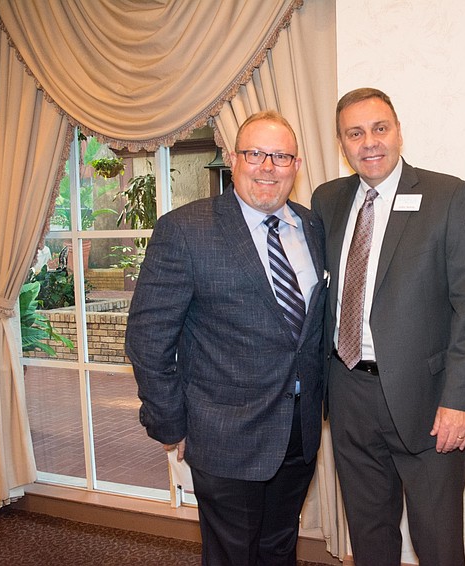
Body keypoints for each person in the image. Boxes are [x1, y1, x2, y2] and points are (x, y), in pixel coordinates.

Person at [125, 110, 326, 566]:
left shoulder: (311, 227)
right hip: (224, 434)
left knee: (279, 547)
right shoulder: (184, 230)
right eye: (256, 154)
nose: (268, 167)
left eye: (280, 156)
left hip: (298, 430)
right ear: (234, 160)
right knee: (232, 555)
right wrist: (170, 422)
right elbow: (147, 339)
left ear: (296, 165)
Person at [311, 88, 465, 565]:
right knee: (370, 540)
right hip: (348, 393)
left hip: (430, 401)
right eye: (355, 133)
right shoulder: (326, 200)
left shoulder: (447, 196)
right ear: (342, 143)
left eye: (379, 128)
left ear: (397, 131)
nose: (369, 142)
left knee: (437, 544)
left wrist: (459, 401)